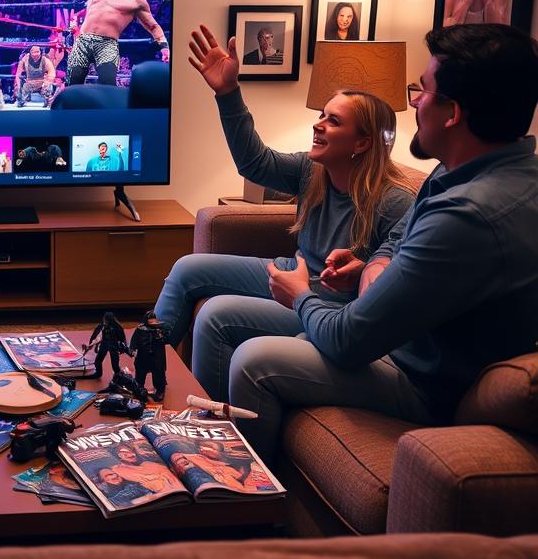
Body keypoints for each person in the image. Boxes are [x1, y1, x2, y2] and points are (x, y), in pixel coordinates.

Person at [228, 23, 538, 462]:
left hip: (423, 382)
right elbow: (397, 242)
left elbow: (349, 339)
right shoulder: (468, 171)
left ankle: (243, 506)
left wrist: (300, 295)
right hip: (394, 336)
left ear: (452, 113)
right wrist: (370, 263)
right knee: (216, 304)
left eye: (423, 91)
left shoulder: (467, 216)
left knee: (255, 360)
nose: (414, 103)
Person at [154, 24, 415, 403]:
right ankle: (140, 369)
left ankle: (206, 424)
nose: (317, 124)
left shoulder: (394, 202)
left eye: (333, 121)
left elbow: (389, 283)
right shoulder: (315, 170)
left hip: (329, 306)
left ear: (363, 142)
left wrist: (359, 270)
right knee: (187, 268)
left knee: (217, 313)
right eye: (322, 114)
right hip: (294, 271)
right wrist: (228, 93)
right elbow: (255, 164)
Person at [61, 0, 169, 86]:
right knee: (73, 84)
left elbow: (153, 26)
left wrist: (164, 47)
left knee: (108, 85)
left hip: (107, 44)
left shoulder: (136, 0)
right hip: (82, 41)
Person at [130, 311, 169, 401]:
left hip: (156, 357)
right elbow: (134, 341)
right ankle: (139, 390)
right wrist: (132, 350)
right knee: (140, 375)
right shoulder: (140, 330)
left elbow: (166, 340)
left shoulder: (159, 330)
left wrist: (161, 336)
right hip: (143, 356)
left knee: (158, 373)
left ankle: (160, 391)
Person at [113, 444, 184, 493]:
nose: (131, 454)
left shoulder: (149, 464)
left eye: (131, 451)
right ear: (118, 456)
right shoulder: (118, 469)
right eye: (123, 452)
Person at [85, 312, 129, 378]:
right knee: (98, 360)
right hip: (105, 343)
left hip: (113, 345)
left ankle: (118, 375)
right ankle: (98, 373)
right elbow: (97, 335)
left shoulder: (117, 327)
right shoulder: (103, 326)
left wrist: (122, 348)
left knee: (114, 364)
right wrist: (92, 344)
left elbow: (122, 338)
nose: (104, 321)